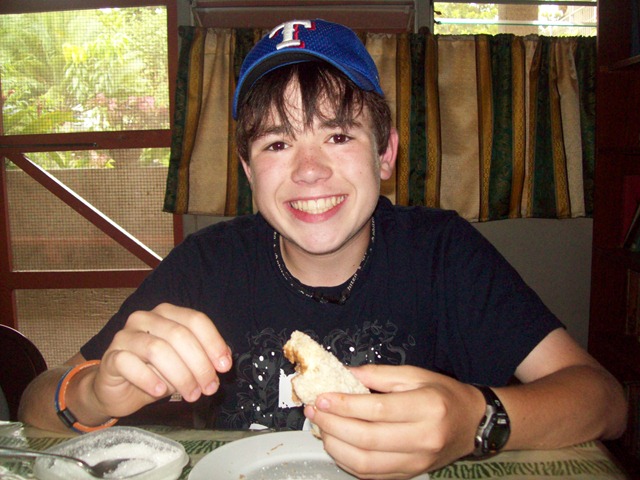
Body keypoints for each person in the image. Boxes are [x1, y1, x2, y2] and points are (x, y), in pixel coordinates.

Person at [19, 19, 626, 479]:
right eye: (277, 144)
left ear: (385, 153)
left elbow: (605, 400)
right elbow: (35, 404)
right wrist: (95, 393)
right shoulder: (207, 264)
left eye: (338, 135)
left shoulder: (443, 252)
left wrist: (477, 419)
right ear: (248, 171)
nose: (309, 170)